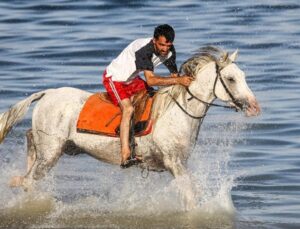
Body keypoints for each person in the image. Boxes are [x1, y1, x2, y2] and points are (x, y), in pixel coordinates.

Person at [102, 24, 194, 168]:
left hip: (132, 80)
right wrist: (179, 80)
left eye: (168, 46)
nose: (164, 49)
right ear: (154, 40)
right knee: (128, 109)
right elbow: (151, 80)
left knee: (154, 96)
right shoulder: (145, 50)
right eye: (161, 45)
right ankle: (125, 153)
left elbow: (175, 76)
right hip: (115, 79)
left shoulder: (170, 51)